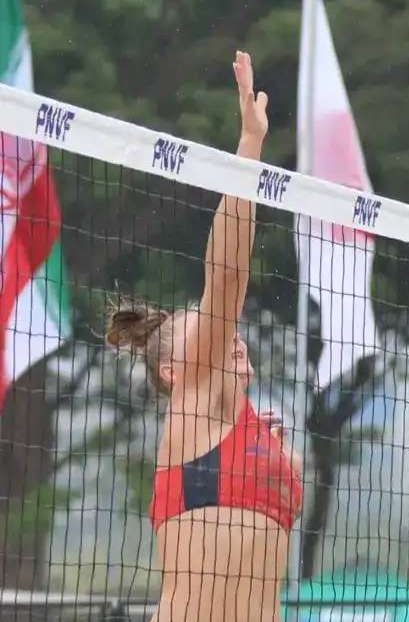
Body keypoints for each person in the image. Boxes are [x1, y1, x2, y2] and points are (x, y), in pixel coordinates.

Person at [105, 51, 302, 622]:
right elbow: (228, 276)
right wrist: (249, 147)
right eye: (207, 327)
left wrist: (263, 450)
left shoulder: (264, 440)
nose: (228, 334)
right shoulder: (190, 406)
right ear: (174, 371)